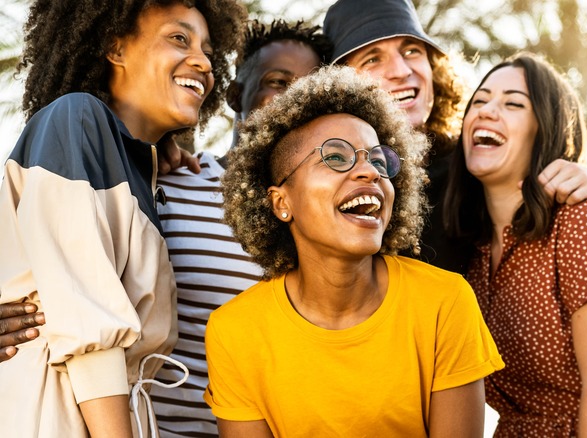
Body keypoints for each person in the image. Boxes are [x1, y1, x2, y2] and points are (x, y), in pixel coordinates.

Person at [204, 65, 504, 437]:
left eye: (379, 160)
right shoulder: (234, 333)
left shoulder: (445, 302)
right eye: (335, 157)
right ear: (282, 202)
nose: (370, 172)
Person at [0, 0, 244, 436]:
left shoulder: (140, 171)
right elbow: (86, 320)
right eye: (179, 38)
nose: (204, 62)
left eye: (208, 50)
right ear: (115, 49)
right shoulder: (77, 121)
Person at [443, 52, 587, 437]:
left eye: (513, 103)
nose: (487, 111)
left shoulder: (580, 221)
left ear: (545, 129)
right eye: (480, 100)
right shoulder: (469, 254)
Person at [323, 0, 587, 274]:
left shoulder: (473, 164)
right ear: (339, 86)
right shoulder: (324, 182)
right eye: (373, 59)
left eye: (412, 51)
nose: (401, 70)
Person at [151, 19, 331, 437]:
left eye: (310, 89)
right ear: (235, 95)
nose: (296, 100)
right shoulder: (169, 181)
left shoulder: (324, 220)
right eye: (279, 81)